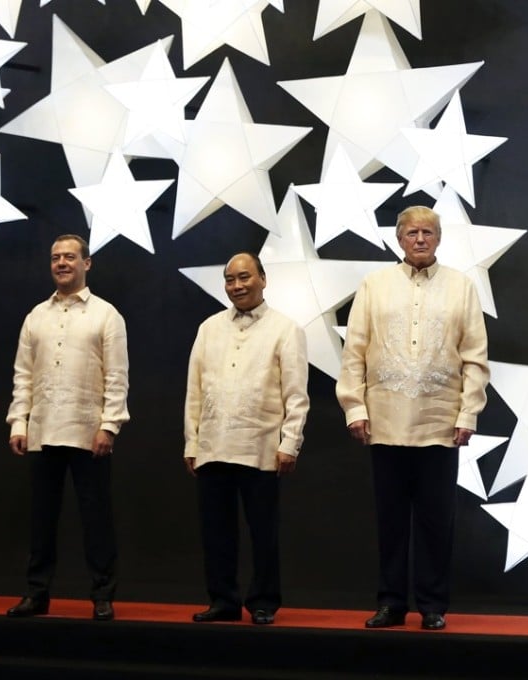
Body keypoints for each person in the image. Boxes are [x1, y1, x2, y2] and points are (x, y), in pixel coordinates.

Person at [336, 205, 489, 631]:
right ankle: (390, 602)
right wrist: (355, 406)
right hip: (384, 420)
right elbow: (356, 352)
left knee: (436, 521)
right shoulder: (374, 284)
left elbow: (475, 357)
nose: (419, 239)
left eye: (427, 232)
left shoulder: (461, 287)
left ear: (438, 239)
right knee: (390, 521)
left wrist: (468, 413)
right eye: (411, 233)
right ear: (398, 239)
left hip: (439, 422)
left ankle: (433, 605)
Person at [5, 234, 129, 622]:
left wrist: (109, 426)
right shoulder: (35, 316)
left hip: (87, 431)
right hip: (42, 430)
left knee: (96, 519)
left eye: (70, 257)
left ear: (86, 263)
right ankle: (37, 593)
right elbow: (22, 374)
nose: (62, 263)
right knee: (41, 519)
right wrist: (18, 421)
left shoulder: (106, 315)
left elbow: (117, 377)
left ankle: (102, 595)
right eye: (56, 257)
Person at [184, 252, 309, 626]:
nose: (237, 286)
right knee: (216, 532)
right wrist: (192, 442)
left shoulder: (286, 329)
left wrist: (290, 443)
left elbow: (296, 395)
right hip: (213, 445)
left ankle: (264, 602)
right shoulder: (209, 328)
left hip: (262, 445)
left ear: (263, 279)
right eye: (230, 279)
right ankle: (222, 599)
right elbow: (194, 390)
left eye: (244, 277)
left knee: (263, 531)